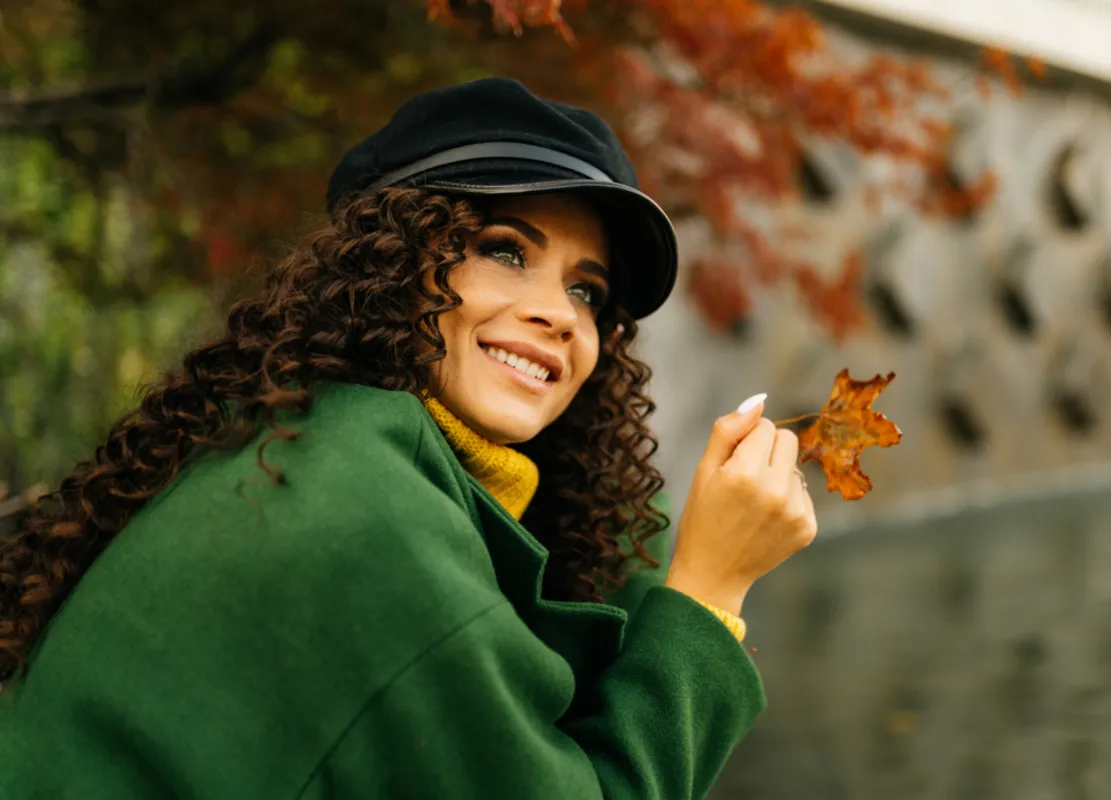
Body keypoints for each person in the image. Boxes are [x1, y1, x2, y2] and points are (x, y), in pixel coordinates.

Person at [0, 78, 818, 798]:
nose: (560, 315)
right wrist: (710, 592)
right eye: (505, 251)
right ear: (387, 263)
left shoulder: (319, 440)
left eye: (588, 291)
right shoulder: (365, 512)